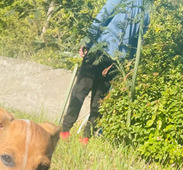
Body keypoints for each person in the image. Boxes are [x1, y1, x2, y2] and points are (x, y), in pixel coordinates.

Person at [60, 0, 151, 143]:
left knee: (80, 91)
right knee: (99, 99)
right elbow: (137, 43)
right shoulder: (145, 11)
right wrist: (128, 63)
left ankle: (64, 131)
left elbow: (101, 17)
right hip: (116, 60)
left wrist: (88, 41)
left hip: (99, 51)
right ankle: (86, 137)